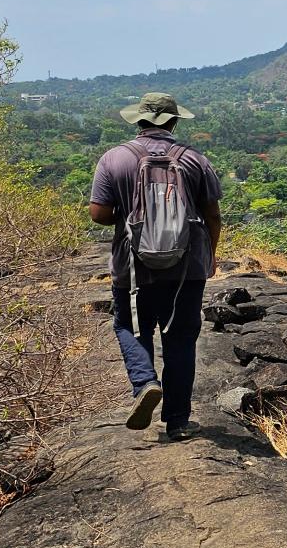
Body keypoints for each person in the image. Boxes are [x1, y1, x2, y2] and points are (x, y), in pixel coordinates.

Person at [88, 92, 223, 437]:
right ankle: (177, 421)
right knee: (179, 339)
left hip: (132, 268)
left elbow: (99, 214)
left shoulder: (114, 160)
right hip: (186, 269)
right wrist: (210, 256)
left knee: (130, 326)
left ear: (138, 120)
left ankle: (145, 383)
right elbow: (212, 214)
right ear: (174, 121)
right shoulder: (195, 160)